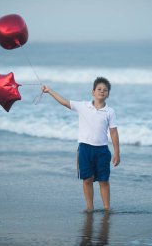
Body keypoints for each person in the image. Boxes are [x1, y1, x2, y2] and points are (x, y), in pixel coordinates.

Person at [42, 77, 120, 212]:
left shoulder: (110, 111)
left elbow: (113, 132)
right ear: (93, 92)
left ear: (108, 94)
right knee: (87, 179)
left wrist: (117, 152)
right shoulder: (83, 106)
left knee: (104, 180)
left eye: (105, 90)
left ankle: (107, 208)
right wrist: (50, 91)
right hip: (85, 149)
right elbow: (65, 102)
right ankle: (90, 207)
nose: (102, 91)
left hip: (102, 150)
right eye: (99, 89)